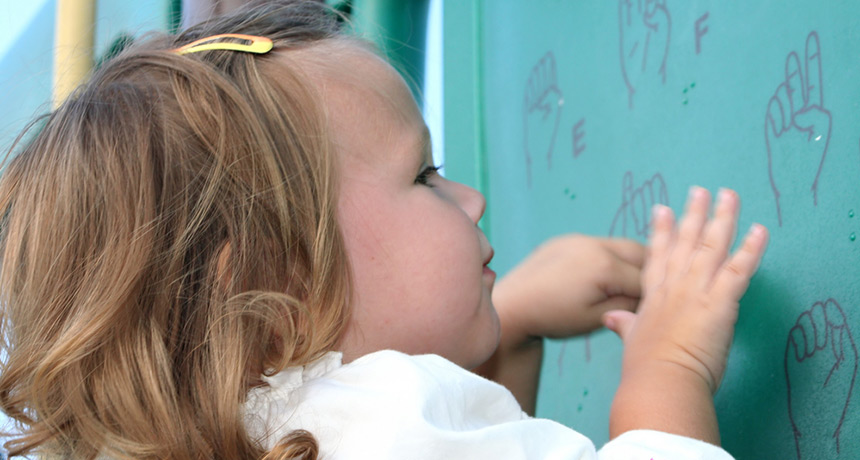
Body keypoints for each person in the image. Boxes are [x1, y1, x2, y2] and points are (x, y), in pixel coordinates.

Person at [0, 1, 768, 458]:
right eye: (425, 178)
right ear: (277, 288)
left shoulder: (271, 432)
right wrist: (668, 372)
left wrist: (517, 320)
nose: (471, 200)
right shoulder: (388, 418)